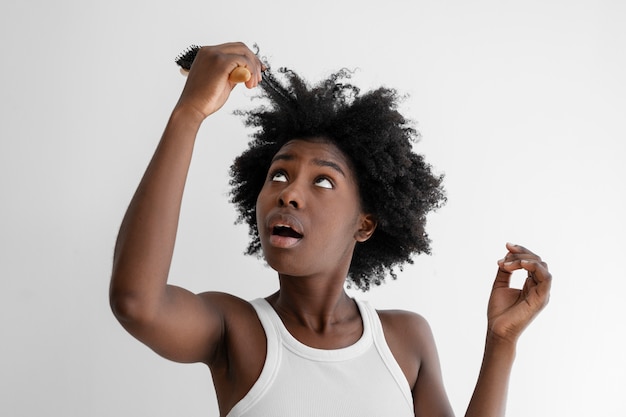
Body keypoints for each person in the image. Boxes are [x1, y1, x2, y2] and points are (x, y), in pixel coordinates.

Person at [109, 42, 552, 417]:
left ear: (365, 224)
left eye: (323, 180)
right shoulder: (236, 330)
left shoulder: (405, 340)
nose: (289, 194)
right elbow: (137, 303)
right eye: (278, 175)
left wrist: (501, 342)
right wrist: (189, 113)